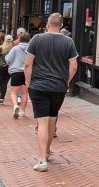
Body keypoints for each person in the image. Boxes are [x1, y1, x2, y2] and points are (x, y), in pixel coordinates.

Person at [25, 12, 78, 172]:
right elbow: (74, 66)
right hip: (58, 87)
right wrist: (66, 82)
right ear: (61, 25)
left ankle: (42, 160)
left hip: (39, 85)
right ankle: (47, 151)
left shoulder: (37, 39)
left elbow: (28, 64)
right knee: (52, 120)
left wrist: (28, 83)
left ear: (47, 24)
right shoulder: (68, 42)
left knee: (42, 121)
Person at [6, 32, 30, 118]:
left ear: (19, 39)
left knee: (13, 92)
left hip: (16, 72)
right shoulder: (31, 49)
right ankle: (23, 111)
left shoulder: (15, 49)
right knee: (24, 93)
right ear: (29, 40)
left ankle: (15, 106)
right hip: (27, 73)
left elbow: (8, 59)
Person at [0, 34, 13, 105]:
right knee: (4, 83)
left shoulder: (0, 48)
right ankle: (2, 99)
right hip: (9, 68)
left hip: (0, 67)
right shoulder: (13, 49)